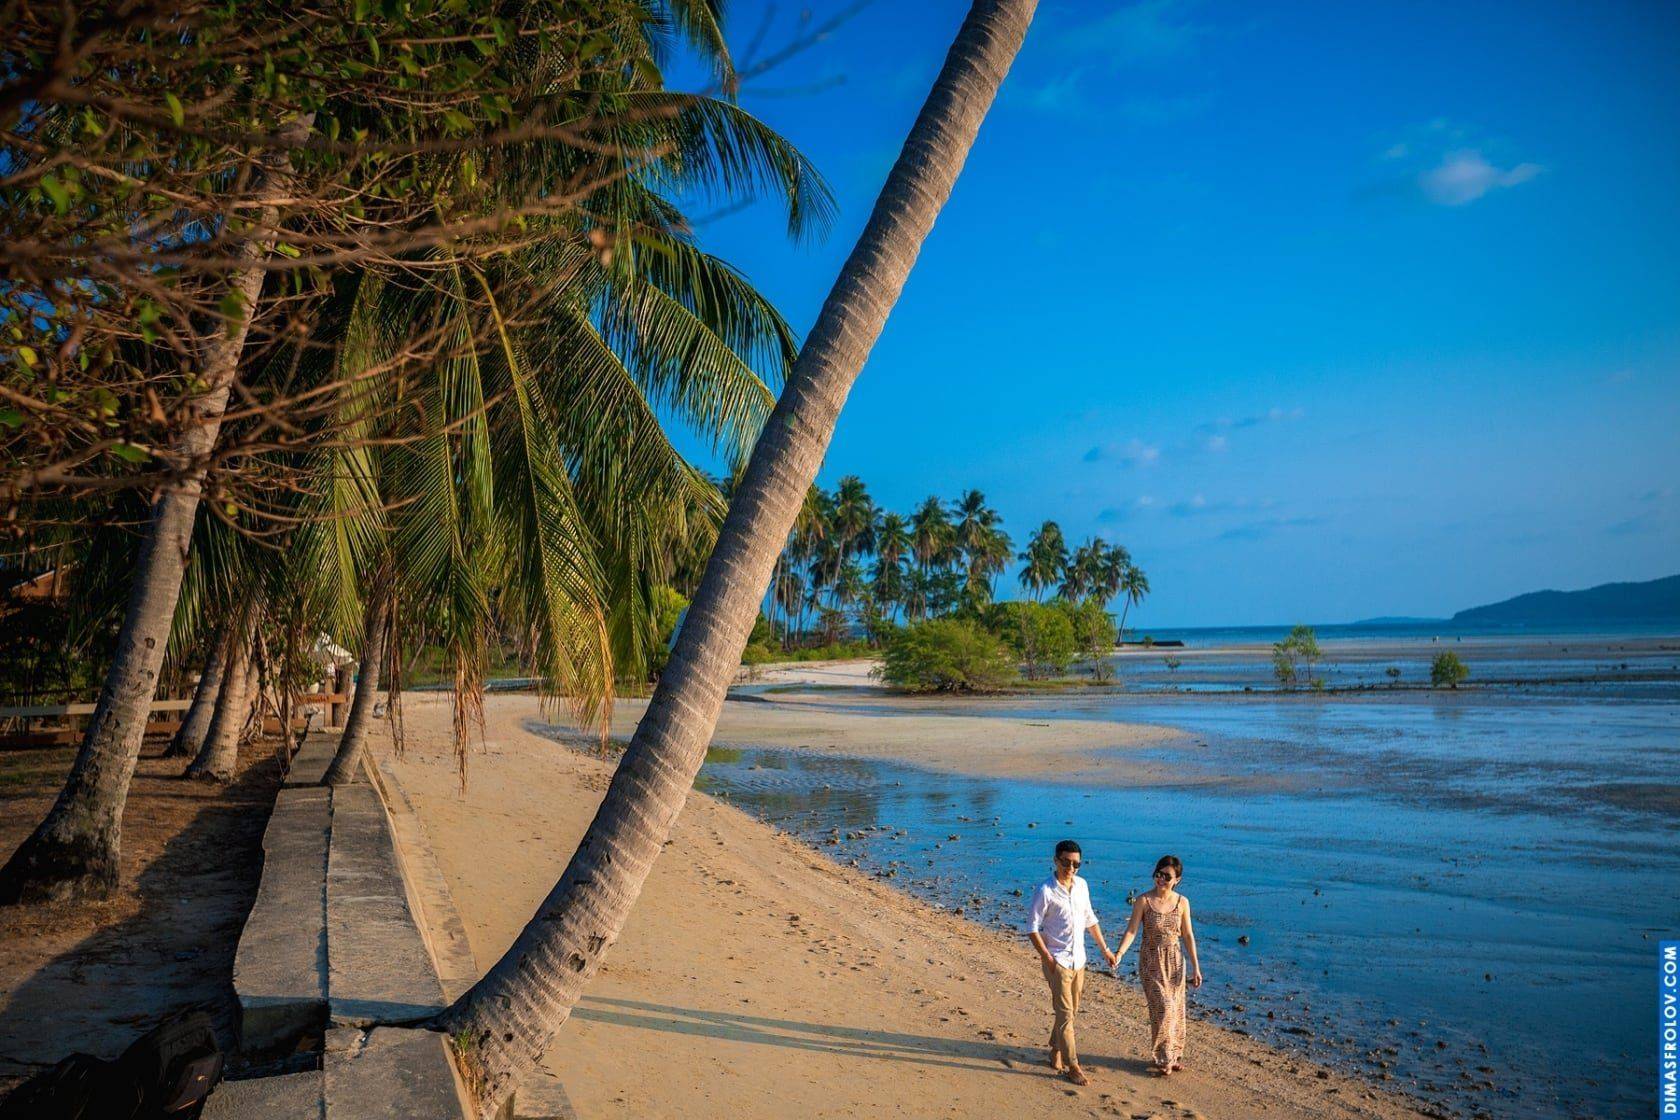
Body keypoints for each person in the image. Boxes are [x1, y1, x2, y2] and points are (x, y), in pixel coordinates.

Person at [1026, 840, 1117, 1086]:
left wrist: (1106, 951)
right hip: (1058, 961)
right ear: (1056, 860)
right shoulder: (1045, 890)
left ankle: (1055, 1049)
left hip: (1080, 960)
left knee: (1071, 1012)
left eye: (1076, 864)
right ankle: (1073, 1065)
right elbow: (1032, 928)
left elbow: (1090, 919)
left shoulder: (1082, 886)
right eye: (1066, 862)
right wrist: (1048, 958)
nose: (1071, 868)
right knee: (1066, 1013)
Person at [1113, 855, 1203, 1075]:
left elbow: (1188, 935)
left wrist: (1196, 967)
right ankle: (1164, 1058)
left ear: (1177, 880)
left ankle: (1173, 1055)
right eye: (1158, 874)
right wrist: (1120, 953)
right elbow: (1132, 930)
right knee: (1162, 1008)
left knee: (1176, 1010)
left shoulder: (1182, 903)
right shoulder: (1143, 901)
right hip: (1151, 962)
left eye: (1167, 876)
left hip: (1175, 962)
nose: (1161, 879)